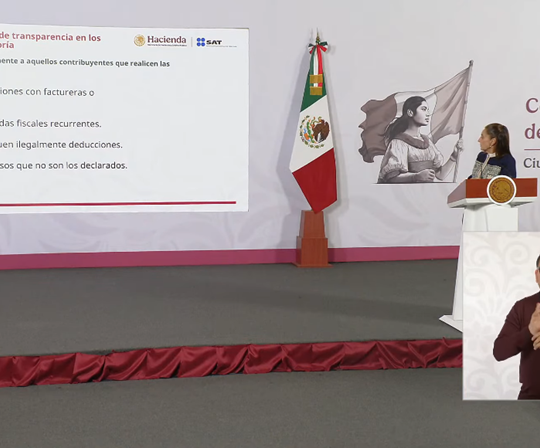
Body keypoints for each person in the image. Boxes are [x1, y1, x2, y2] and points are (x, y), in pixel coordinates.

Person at [377, 96, 462, 183]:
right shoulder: (398, 143)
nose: (428, 114)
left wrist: (453, 156)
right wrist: (416, 176)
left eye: (428, 110)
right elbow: (391, 178)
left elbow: (440, 175)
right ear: (410, 112)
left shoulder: (427, 142)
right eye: (423, 109)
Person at [493, 256, 540, 399]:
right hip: (530, 399)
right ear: (537, 275)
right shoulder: (522, 307)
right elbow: (499, 352)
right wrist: (529, 331)